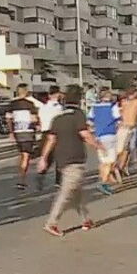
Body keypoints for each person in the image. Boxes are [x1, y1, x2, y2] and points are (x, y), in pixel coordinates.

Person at [38, 85, 101, 237]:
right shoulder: (78, 114)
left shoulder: (58, 117)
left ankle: (86, 219)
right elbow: (84, 133)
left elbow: (51, 139)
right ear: (79, 99)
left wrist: (44, 158)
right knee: (66, 192)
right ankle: (51, 223)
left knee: (76, 192)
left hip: (61, 158)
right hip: (75, 158)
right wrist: (98, 145)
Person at [6, 83, 40, 191]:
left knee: (21, 154)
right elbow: (34, 119)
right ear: (26, 92)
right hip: (28, 132)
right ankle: (22, 180)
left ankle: (21, 174)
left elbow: (8, 119)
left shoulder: (12, 104)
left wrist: (11, 132)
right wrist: (37, 126)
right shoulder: (30, 104)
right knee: (26, 156)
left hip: (17, 132)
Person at [87, 90, 121, 195]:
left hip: (99, 136)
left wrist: (95, 131)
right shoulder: (112, 106)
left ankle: (103, 180)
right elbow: (118, 120)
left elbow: (89, 121)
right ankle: (103, 182)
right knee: (111, 160)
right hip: (110, 134)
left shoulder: (95, 107)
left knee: (102, 161)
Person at [36, 88, 64, 189]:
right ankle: (58, 181)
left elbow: (39, 120)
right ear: (56, 95)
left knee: (47, 156)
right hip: (56, 133)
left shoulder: (42, 108)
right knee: (59, 157)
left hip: (44, 133)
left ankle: (41, 174)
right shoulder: (59, 108)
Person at [116, 87, 137, 178]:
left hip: (125, 126)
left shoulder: (123, 102)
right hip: (130, 126)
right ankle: (121, 166)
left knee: (126, 149)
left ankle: (122, 166)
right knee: (128, 148)